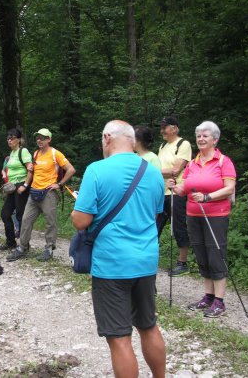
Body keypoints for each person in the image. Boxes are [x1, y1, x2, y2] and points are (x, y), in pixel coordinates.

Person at [71, 120, 166, 377]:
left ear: (107, 137)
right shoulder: (153, 171)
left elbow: (81, 221)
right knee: (148, 326)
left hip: (112, 264)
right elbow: (156, 214)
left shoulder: (96, 170)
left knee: (119, 337)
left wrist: (80, 203)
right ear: (132, 140)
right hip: (146, 261)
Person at [168, 121, 236, 318]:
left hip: (216, 215)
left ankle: (219, 301)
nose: (201, 139)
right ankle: (208, 296)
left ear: (215, 139)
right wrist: (174, 186)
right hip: (194, 214)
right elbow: (183, 190)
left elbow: (229, 188)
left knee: (216, 254)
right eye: (198, 136)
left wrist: (208, 197)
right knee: (201, 254)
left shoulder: (223, 161)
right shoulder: (192, 163)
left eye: (205, 136)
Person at [7, 128, 75, 262]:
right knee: (26, 220)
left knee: (50, 222)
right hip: (34, 192)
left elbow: (71, 170)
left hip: (48, 193)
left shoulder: (56, 153)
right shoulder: (36, 154)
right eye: (37, 138)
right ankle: (22, 248)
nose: (39, 140)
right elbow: (32, 171)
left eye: (43, 138)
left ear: (49, 139)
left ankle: (49, 249)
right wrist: (27, 180)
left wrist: (59, 184)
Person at [157, 116, 192, 276]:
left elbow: (176, 170)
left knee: (178, 226)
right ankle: (147, 258)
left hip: (176, 192)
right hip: (160, 192)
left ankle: (182, 262)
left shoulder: (183, 144)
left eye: (165, 127)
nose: (162, 130)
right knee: (153, 226)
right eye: (161, 127)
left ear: (175, 128)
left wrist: (150, 172)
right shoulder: (162, 145)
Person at [0, 128, 33, 250]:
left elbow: (30, 169)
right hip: (12, 187)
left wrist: (25, 185)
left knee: (20, 216)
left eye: (12, 138)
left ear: (19, 139)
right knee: (5, 214)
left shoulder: (23, 151)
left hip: (20, 186)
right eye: (8, 138)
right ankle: (11, 242)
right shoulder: (12, 153)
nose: (9, 140)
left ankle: (25, 245)